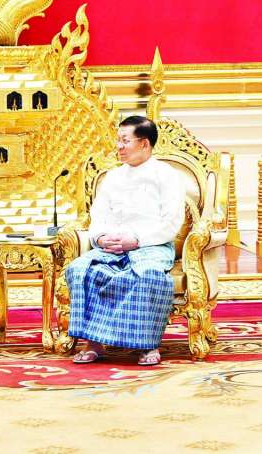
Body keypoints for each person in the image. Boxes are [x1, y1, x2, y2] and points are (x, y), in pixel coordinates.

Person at [64, 116, 184, 366]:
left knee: (148, 275)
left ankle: (147, 345)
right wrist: (101, 237)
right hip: (112, 246)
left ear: (144, 144)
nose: (118, 146)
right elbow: (98, 216)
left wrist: (137, 240)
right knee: (79, 269)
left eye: (125, 141)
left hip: (151, 246)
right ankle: (93, 343)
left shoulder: (167, 176)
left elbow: (171, 223)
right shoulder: (113, 177)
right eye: (118, 140)